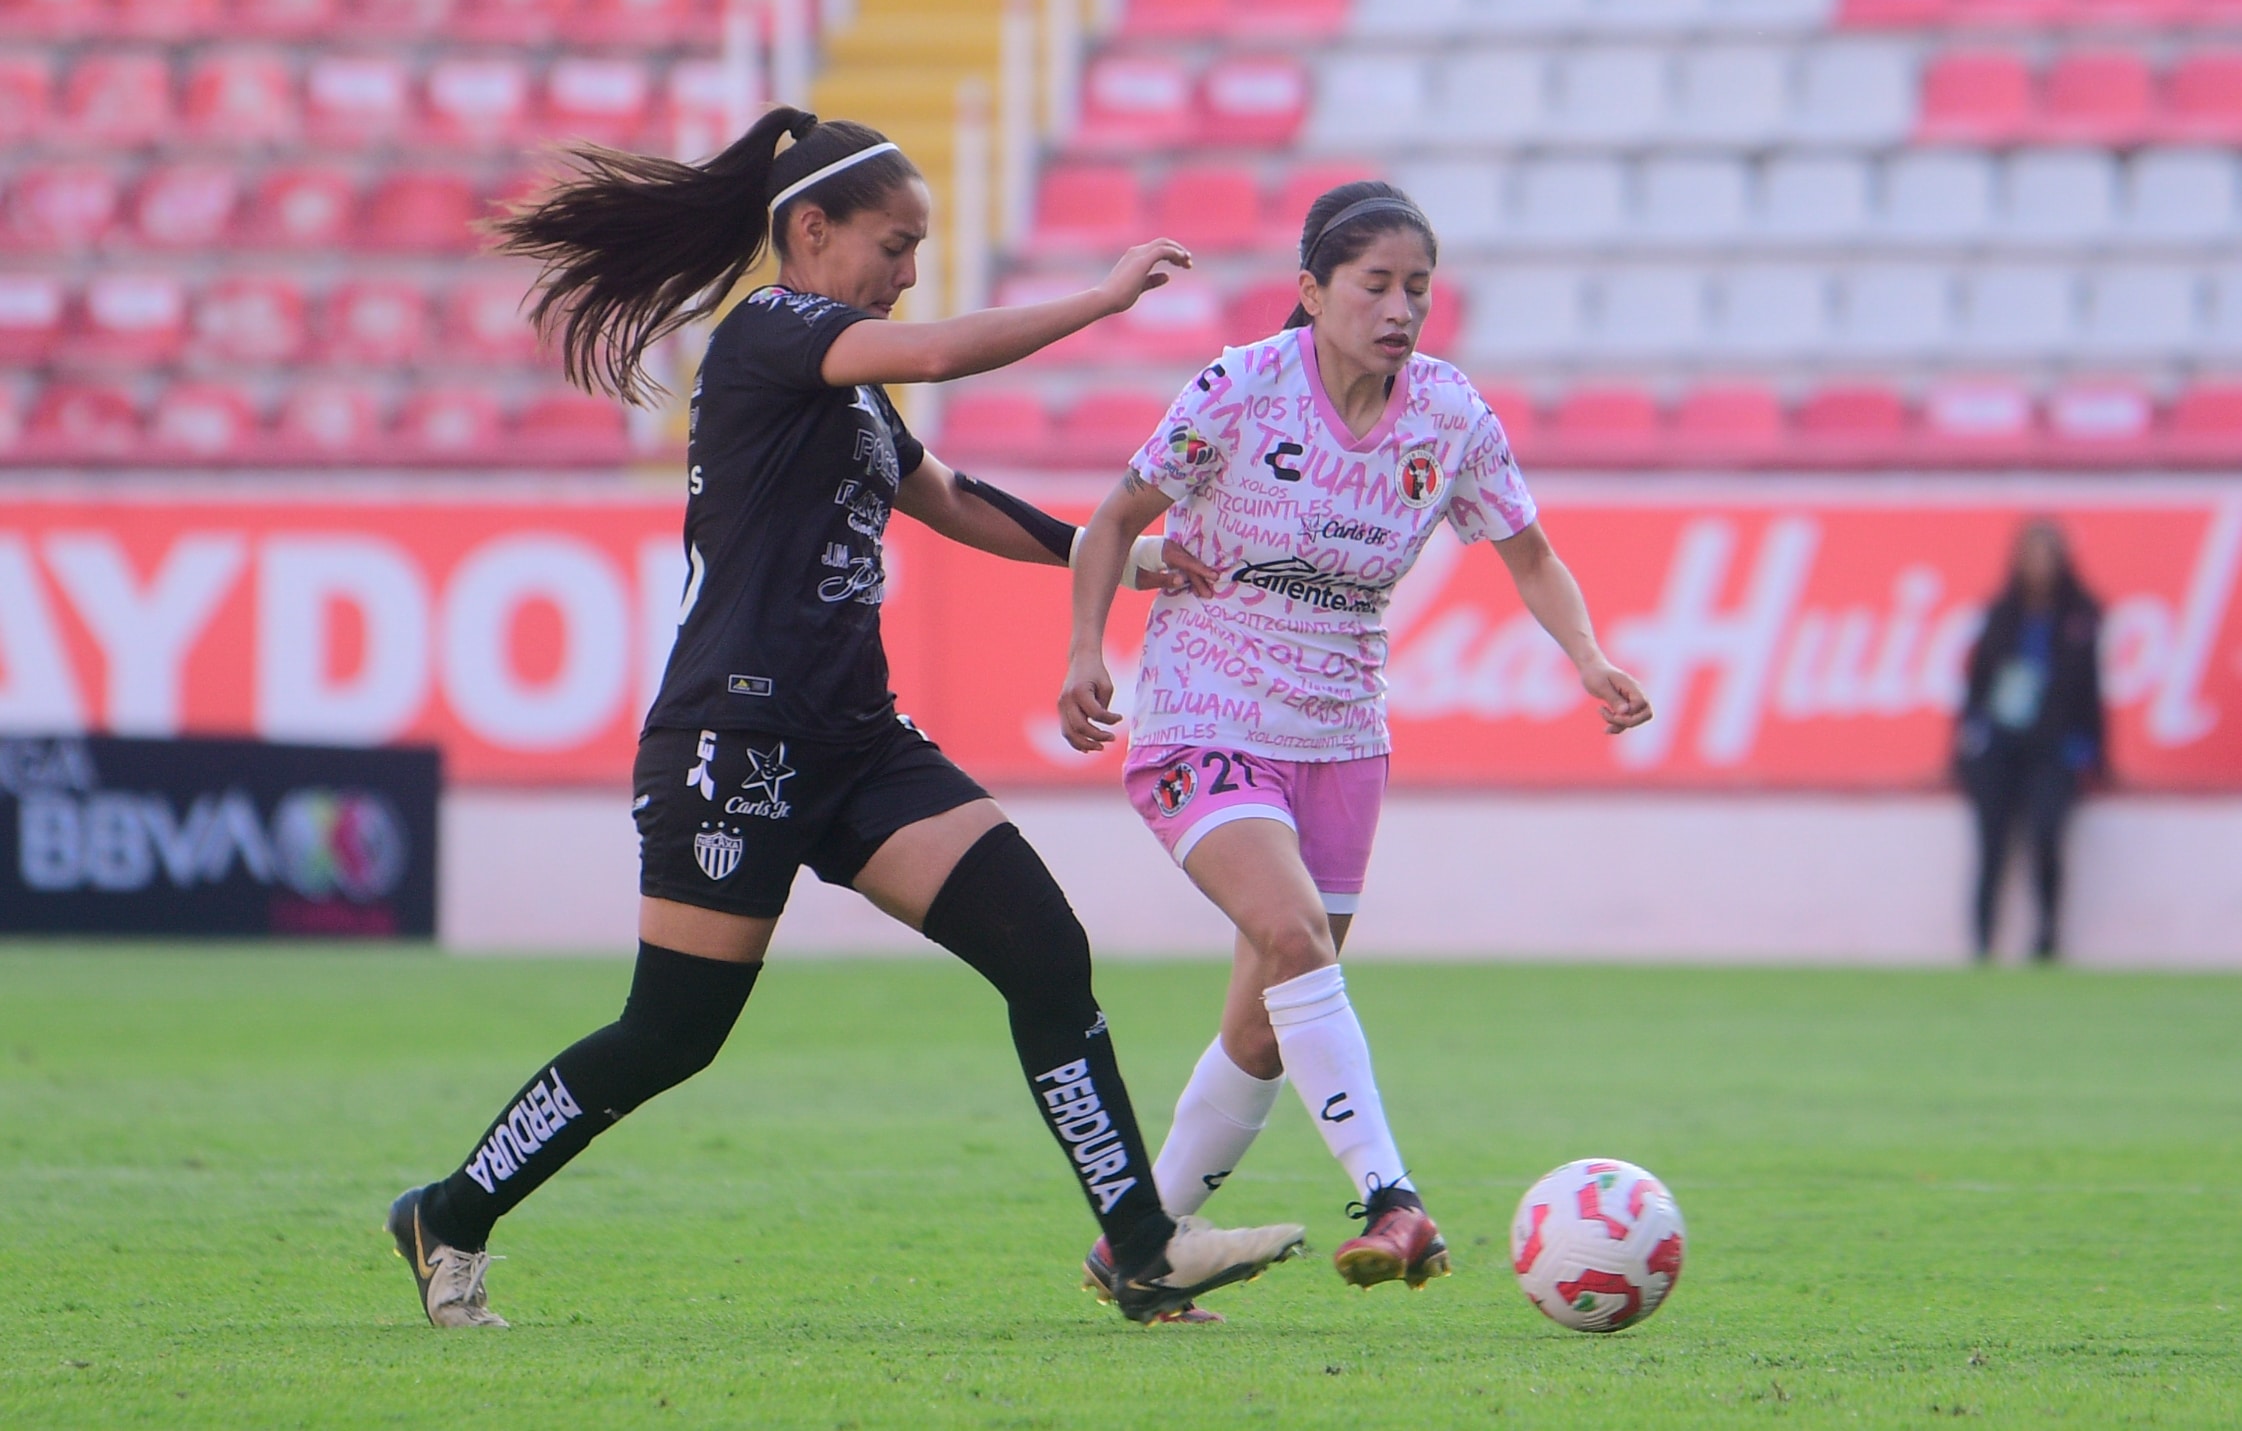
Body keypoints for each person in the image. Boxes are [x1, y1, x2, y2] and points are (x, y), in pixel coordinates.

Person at [385, 106, 1305, 1330]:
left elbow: (948, 495)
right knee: (671, 1033)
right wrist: (1097, 300)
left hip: (859, 743)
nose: (909, 272)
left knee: (1042, 949)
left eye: (917, 251)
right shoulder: (769, 332)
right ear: (809, 231)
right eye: (895, 243)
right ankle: (446, 1213)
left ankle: (1142, 1249)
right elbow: (935, 353)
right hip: (734, 740)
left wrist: (1110, 557)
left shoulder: (852, 390)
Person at [1059, 181, 1653, 1314]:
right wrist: (1086, 648)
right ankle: (1389, 1192)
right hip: (1204, 711)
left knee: (1267, 1020)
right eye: (1374, 285)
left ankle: (1133, 1252)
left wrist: (1586, 655)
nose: (1398, 309)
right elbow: (1116, 518)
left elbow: (1526, 549)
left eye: (1416, 288)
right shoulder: (1238, 389)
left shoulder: (1447, 414)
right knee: (1293, 938)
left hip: (1339, 733)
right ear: (1311, 292)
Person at [1955, 517, 2106, 961]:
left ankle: (2047, 938)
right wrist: (1970, 740)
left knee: (2045, 837)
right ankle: (1982, 945)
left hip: (2051, 748)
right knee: (1991, 848)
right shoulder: (2000, 616)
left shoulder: (2079, 617)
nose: (2038, 566)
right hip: (2000, 748)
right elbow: (1976, 684)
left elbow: (2091, 690)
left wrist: (2090, 750)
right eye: (2030, 556)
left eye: (2046, 556)